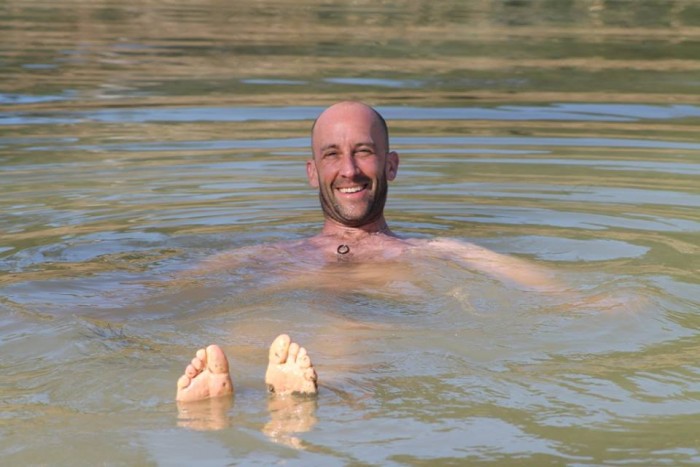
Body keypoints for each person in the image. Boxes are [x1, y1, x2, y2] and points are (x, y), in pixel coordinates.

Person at [176, 101, 560, 404]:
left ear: (391, 165)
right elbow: (158, 289)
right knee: (248, 333)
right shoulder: (262, 256)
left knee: (353, 332)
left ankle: (289, 402)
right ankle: (234, 401)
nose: (349, 170)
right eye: (332, 155)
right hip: (286, 331)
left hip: (354, 344)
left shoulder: (441, 252)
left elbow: (560, 294)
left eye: (363, 152)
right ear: (312, 172)